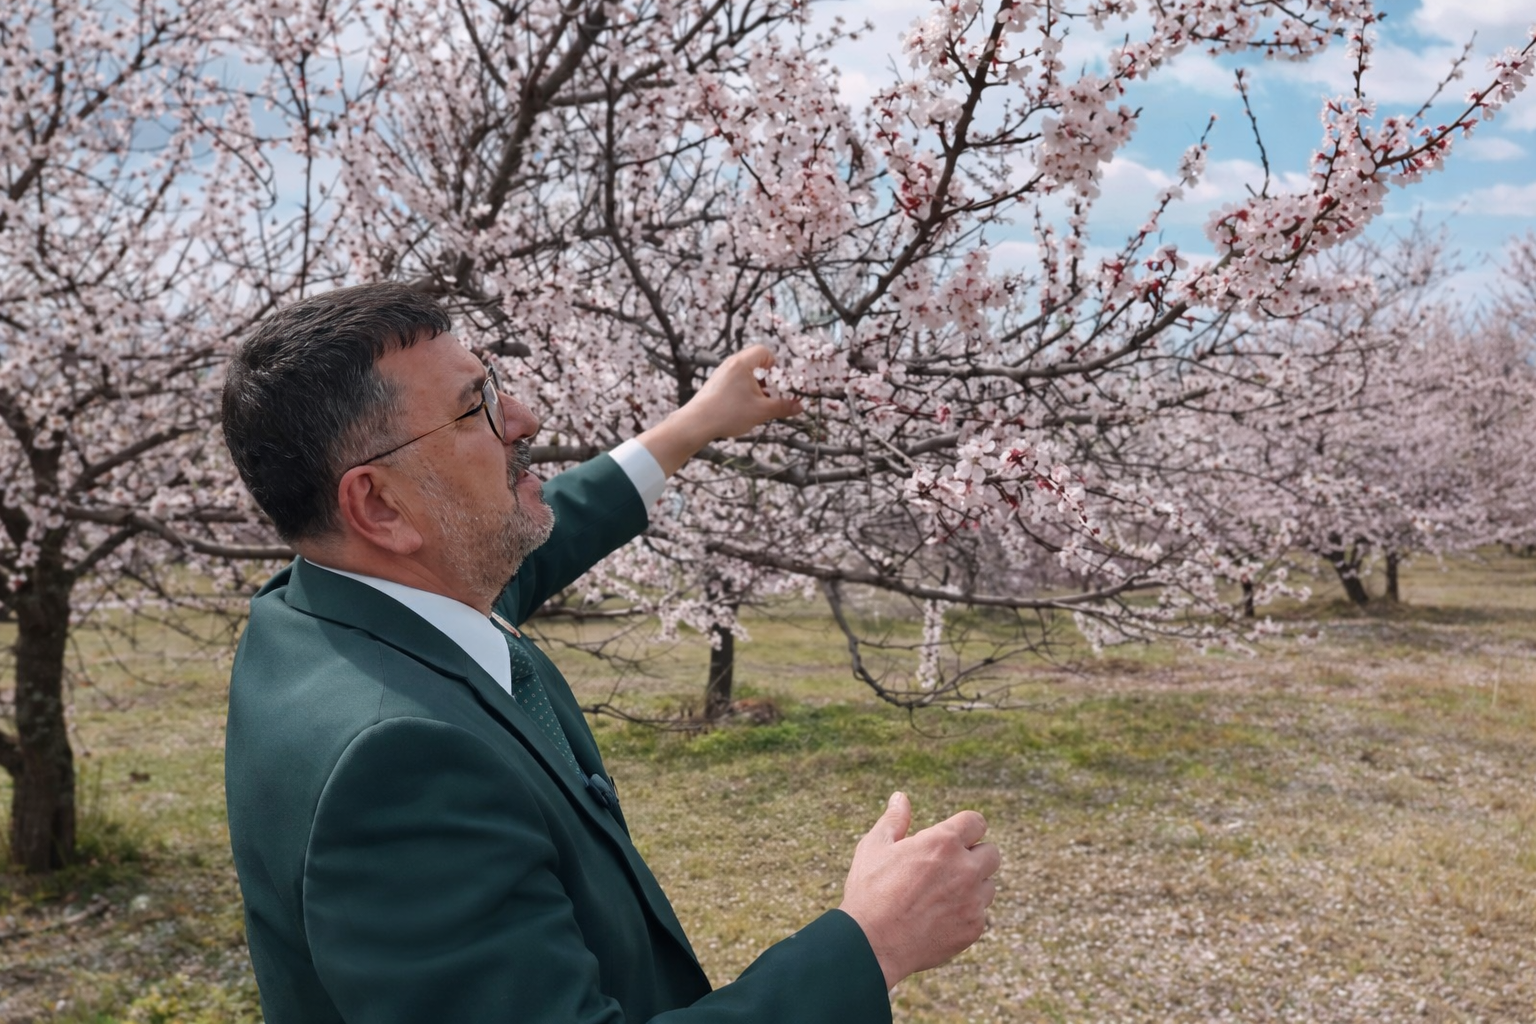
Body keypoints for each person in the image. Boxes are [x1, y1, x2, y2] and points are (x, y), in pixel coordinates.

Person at [219, 283, 1000, 1024]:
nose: (522, 418)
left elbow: (528, 544)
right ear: (380, 504)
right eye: (474, 410)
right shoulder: (397, 768)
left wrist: (691, 425)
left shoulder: (330, 611)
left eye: (496, 386)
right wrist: (872, 944)